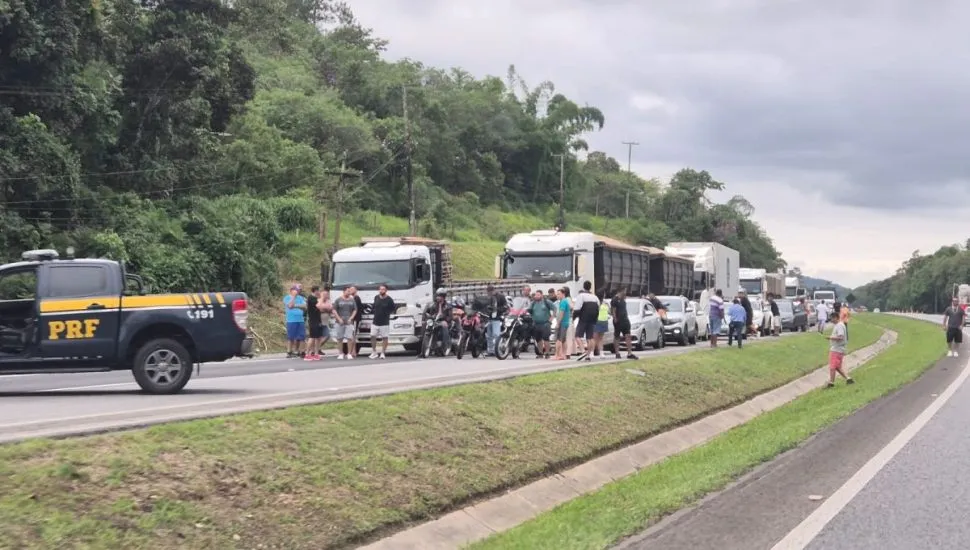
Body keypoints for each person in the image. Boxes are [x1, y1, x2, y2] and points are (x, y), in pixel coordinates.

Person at [826, 314, 854, 387]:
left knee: (832, 366)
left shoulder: (839, 326)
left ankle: (831, 383)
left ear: (836, 318)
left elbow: (841, 337)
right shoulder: (839, 325)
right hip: (838, 349)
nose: (831, 320)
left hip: (837, 349)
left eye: (831, 318)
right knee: (837, 367)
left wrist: (830, 337)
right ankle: (848, 379)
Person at [527, 290, 556, 359]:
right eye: (535, 295)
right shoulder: (533, 303)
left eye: (538, 295)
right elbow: (529, 310)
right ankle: (540, 353)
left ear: (542, 295)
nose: (536, 296)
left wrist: (551, 318)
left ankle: (547, 353)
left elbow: (555, 309)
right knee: (538, 339)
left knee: (546, 338)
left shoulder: (546, 302)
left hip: (545, 323)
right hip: (536, 323)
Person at [574, 281, 599, 360]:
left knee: (577, 336)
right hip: (592, 319)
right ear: (590, 287)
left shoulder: (581, 296)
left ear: (583, 286)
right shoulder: (595, 297)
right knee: (590, 337)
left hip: (583, 318)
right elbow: (598, 308)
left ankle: (583, 351)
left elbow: (577, 308)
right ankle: (588, 355)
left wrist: (574, 318)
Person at [369, 284, 395, 359]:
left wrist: (387, 313)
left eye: (383, 289)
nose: (381, 291)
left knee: (385, 337)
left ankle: (383, 352)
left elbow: (392, 309)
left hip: (384, 322)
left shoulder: (389, 299)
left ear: (386, 290)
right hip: (375, 321)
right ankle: (374, 352)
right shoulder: (376, 297)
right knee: (372, 336)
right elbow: (374, 307)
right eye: (380, 289)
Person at [332, 287, 358, 360]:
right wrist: (339, 319)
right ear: (343, 292)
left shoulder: (352, 300)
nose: (349, 292)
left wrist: (351, 318)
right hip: (339, 322)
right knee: (340, 338)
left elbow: (355, 310)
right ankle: (340, 353)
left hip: (349, 322)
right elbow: (334, 310)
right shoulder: (338, 300)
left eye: (349, 291)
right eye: (347, 291)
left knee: (349, 338)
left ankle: (349, 353)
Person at [425, 288, 453, 353]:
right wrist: (427, 316)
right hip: (434, 321)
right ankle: (424, 348)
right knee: (426, 324)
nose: (437, 297)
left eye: (439, 296)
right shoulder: (433, 305)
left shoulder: (448, 306)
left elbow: (450, 317)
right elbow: (427, 312)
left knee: (444, 326)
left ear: (443, 297)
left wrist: (445, 320)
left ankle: (445, 346)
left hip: (444, 322)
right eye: (437, 295)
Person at [610, 289, 636, 360]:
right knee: (617, 336)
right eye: (624, 291)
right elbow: (613, 310)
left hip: (625, 320)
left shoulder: (623, 299)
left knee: (628, 335)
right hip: (618, 320)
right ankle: (617, 353)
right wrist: (615, 318)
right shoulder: (615, 300)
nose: (625, 292)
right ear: (620, 291)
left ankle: (629, 353)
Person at [483, 284, 508, 356]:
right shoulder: (488, 297)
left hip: (497, 318)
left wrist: (497, 310)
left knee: (496, 335)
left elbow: (505, 307)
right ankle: (490, 350)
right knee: (489, 335)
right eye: (488, 292)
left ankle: (497, 350)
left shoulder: (500, 297)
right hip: (489, 318)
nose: (489, 293)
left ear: (494, 290)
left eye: (490, 292)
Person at [283, 284, 307, 358]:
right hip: (291, 320)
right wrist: (293, 297)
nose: (298, 291)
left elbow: (305, 306)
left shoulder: (301, 298)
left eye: (299, 290)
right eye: (296, 290)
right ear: (291, 290)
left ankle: (302, 351)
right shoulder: (287, 297)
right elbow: (290, 306)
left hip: (300, 319)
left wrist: (296, 305)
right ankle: (289, 352)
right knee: (291, 337)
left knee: (302, 336)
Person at [304, 286, 324, 361]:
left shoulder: (316, 298)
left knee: (318, 337)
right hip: (313, 320)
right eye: (319, 291)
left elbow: (321, 309)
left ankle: (316, 354)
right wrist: (322, 298)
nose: (319, 292)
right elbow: (319, 305)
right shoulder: (311, 298)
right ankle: (307, 354)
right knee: (312, 337)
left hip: (318, 320)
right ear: (315, 291)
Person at [554, 287, 572, 360]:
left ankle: (557, 355)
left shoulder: (563, 302)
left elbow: (561, 313)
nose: (557, 295)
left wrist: (558, 323)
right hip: (565, 322)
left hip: (562, 323)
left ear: (563, 294)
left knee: (558, 339)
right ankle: (563, 355)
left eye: (559, 294)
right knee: (564, 340)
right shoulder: (565, 301)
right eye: (557, 294)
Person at [592, 295, 610, 359]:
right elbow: (609, 312)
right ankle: (601, 353)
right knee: (600, 339)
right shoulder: (605, 304)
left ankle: (591, 353)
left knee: (594, 338)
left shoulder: (596, 304)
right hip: (604, 321)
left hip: (597, 321)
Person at [349, 286, 364, 358]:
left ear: (356, 290)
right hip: (353, 319)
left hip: (355, 319)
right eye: (350, 289)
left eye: (352, 289)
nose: (350, 290)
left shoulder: (356, 298)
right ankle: (352, 351)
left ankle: (353, 351)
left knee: (353, 335)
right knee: (352, 335)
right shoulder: (353, 298)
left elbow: (355, 309)